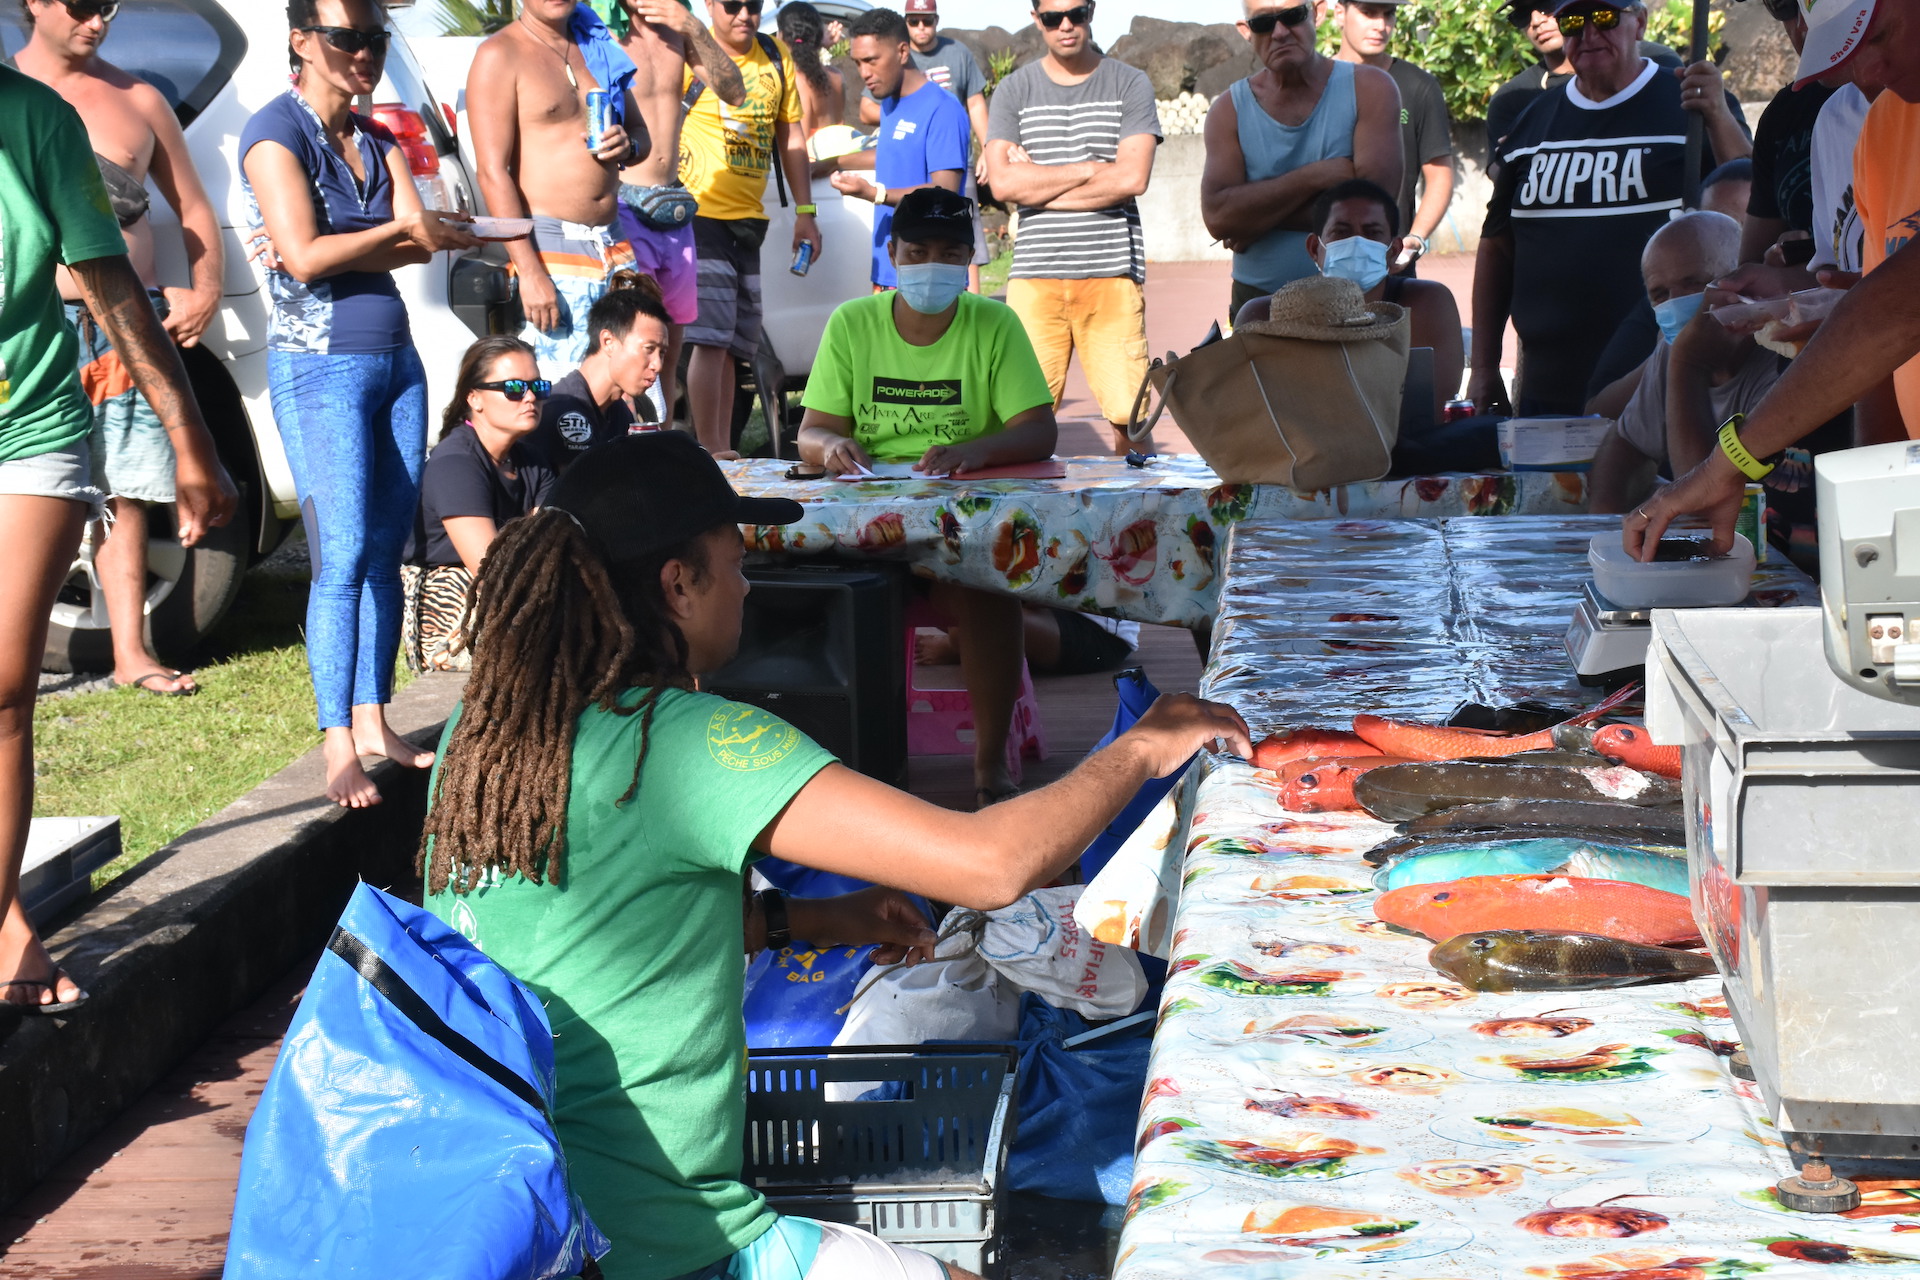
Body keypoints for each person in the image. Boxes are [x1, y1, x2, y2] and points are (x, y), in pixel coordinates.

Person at [420, 428, 1249, 1280]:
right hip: (665, 1237)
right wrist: (1145, 747)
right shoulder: (683, 743)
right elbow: (989, 865)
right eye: (733, 561)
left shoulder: (483, 740)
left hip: (525, 1215)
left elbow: (589, 937)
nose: (746, 585)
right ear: (678, 585)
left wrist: (802, 919)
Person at [1, 63, 235, 1010]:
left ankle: (6, 918)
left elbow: (109, 276)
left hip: (31, 423)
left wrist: (191, 439)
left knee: (6, 687)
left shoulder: (38, 119)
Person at [242, 0, 481, 808]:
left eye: (376, 39)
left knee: (388, 550)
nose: (365, 54)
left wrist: (413, 233)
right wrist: (399, 234)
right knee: (339, 555)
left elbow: (408, 232)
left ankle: (375, 719)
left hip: (393, 357)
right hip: (320, 367)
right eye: (347, 38)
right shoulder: (275, 132)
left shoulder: (375, 139)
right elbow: (306, 256)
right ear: (302, 42)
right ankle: (336, 739)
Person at [1624, 0, 1920, 558]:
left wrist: (1730, 460)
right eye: (1852, 56)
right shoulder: (1880, 126)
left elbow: (1898, 308)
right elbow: (1879, 330)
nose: (1869, 74)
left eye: (1879, 37)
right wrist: (1873, 533)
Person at [796, 188, 1057, 805]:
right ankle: (828, 766)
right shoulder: (852, 323)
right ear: (892, 254)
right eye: (916, 251)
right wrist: (832, 447)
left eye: (947, 252)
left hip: (957, 533)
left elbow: (1039, 429)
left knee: (989, 587)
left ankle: (989, 766)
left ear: (970, 258)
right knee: (801, 584)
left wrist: (977, 451)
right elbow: (812, 431)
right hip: (862, 524)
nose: (930, 264)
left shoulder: (994, 323)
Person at [17, 0, 225, 697]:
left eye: (108, 6)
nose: (98, 20)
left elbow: (192, 206)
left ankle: (132, 652)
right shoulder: (20, 96)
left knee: (125, 489)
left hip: (121, 326)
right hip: (36, 325)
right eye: (81, 5)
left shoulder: (137, 98)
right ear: (32, 4)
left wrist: (205, 287)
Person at [1469, 0, 1752, 418]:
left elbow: (1752, 200)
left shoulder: (1691, 106)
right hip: (1548, 383)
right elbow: (1496, 248)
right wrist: (1483, 368)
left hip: (1657, 377)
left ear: (1639, 23)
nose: (1588, 34)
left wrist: (1717, 115)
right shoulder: (1532, 122)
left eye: (1603, 17)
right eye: (1572, 21)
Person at [985, 0, 1161, 455]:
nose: (1066, 25)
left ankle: (1144, 521)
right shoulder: (1013, 89)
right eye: (1052, 17)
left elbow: (1132, 178)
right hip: (1034, 277)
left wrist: (1038, 181)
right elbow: (1003, 183)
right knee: (1014, 421)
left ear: (1091, 11)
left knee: (1131, 420)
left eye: (1076, 14)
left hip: (1111, 274)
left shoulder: (1129, 82)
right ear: (1036, 19)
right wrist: (1091, 167)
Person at [468, 0, 646, 374]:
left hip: (614, 246)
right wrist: (530, 272)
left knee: (624, 390)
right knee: (564, 400)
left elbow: (641, 134)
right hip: (552, 250)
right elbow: (491, 172)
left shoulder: (595, 45)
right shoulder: (499, 55)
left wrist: (628, 146)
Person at [679, 0, 822, 454]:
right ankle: (713, 454)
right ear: (708, 5)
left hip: (748, 221)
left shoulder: (775, 56)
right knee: (709, 340)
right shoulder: (689, 51)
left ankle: (722, 452)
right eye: (732, 4)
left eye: (754, 4)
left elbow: (792, 137)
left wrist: (806, 212)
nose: (744, 13)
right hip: (699, 214)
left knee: (735, 344)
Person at [1201, 0, 1401, 320]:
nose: (1280, 32)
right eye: (1263, 23)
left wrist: (1253, 221)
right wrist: (1317, 175)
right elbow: (1217, 217)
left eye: (1292, 16)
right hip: (1258, 303)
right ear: (1246, 32)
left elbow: (1374, 203)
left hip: (1357, 301)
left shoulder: (1371, 88)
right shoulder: (1228, 110)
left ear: (1317, 13)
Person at [1588, 212, 1783, 512]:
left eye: (1693, 284)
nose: (1675, 302)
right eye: (1660, 294)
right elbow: (1625, 444)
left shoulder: (1780, 352)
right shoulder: (1670, 349)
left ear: (1739, 278)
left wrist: (1687, 362)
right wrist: (1601, 528)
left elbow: (1706, 501)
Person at [611, 0, 747, 426]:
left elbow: (735, 91)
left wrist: (692, 27)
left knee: (667, 347)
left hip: (673, 206)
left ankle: (661, 452)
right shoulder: (599, 31)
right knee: (630, 345)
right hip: (621, 203)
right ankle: (621, 457)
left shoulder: (678, 31)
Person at [1234, 178, 1462, 423]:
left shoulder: (1426, 306)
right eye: (1341, 232)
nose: (1357, 243)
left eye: (1372, 233)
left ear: (1394, 251)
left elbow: (1432, 410)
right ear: (1314, 248)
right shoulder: (1263, 316)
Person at [402, 338, 557, 673]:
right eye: (514, 388)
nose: (530, 397)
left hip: (516, 591)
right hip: (454, 605)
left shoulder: (533, 462)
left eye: (538, 386)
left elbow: (549, 544)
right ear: (474, 398)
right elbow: (490, 571)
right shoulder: (455, 463)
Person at [1586, 158, 1755, 415]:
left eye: (1741, 226)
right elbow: (1599, 411)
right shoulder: (1667, 302)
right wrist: (1672, 356)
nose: (1726, 234)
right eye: (1709, 221)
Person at [827, 7, 969, 288]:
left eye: (871, 60)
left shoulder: (943, 109)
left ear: (903, 52)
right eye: (858, 63)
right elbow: (895, 155)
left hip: (927, 278)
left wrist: (873, 193)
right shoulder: (890, 105)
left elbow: (945, 193)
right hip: (890, 270)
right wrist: (830, 164)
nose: (864, 73)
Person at [1326, 0, 1454, 276]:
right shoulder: (1313, 82)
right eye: (1368, 12)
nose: (1380, 25)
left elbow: (1440, 174)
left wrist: (1415, 240)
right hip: (1320, 262)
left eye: (1388, 14)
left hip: (1389, 265)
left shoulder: (1420, 86)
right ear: (1339, 14)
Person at [1485, 0, 1681, 154]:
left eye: (1546, 6)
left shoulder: (1659, 63)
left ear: (1639, 23)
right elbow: (1504, 180)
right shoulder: (1513, 100)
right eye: (1521, 15)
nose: (1536, 22)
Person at [532, 273, 674, 469]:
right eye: (649, 349)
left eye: (662, 353)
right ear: (608, 342)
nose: (657, 365)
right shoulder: (563, 411)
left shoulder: (618, 412)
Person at [1738, 0, 1832, 265]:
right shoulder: (1783, 114)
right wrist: (1775, 264)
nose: (1802, 23)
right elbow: (1751, 267)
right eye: (1782, 4)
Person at [776, 1, 845, 137]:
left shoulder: (797, 80)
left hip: (811, 157)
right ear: (819, 36)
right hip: (838, 156)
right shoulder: (837, 76)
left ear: (782, 35)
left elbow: (802, 138)